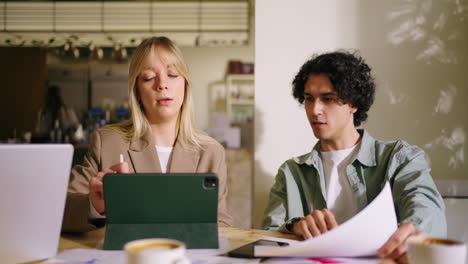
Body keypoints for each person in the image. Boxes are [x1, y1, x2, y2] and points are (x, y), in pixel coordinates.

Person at [262, 51, 446, 262]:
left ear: (354, 103)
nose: (315, 110)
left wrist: (413, 228)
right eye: (309, 99)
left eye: (327, 98)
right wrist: (295, 226)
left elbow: (425, 203)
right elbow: (267, 235)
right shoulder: (292, 172)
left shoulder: (399, 158)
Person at [62, 36, 233, 232]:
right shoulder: (108, 142)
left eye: (173, 74)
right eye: (149, 77)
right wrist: (95, 205)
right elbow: (61, 208)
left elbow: (222, 224)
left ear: (186, 85)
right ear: (137, 91)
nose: (162, 84)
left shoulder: (211, 151)